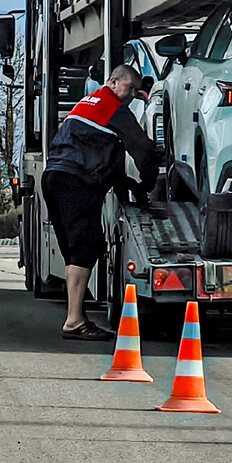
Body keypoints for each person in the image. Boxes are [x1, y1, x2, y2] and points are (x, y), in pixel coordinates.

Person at [42, 64, 163, 340]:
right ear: (112, 82)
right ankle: (74, 321)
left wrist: (131, 189)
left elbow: (106, 158)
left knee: (77, 250)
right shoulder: (113, 107)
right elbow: (141, 148)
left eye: (135, 91)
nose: (132, 95)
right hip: (76, 182)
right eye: (129, 88)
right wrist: (151, 179)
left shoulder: (87, 104)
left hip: (54, 178)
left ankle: (78, 317)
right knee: (86, 248)